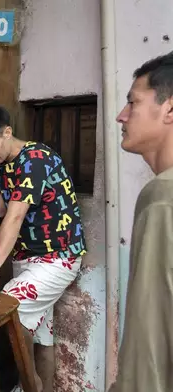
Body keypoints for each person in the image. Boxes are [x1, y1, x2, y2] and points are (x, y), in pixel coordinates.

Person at [0, 105, 87, 392]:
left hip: (58, 258)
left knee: (9, 308)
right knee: (40, 337)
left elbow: (15, 217)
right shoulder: (0, 164)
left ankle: (30, 385)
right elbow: (1, 210)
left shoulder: (35, 159)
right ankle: (39, 386)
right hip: (27, 257)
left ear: (7, 132)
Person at [110, 51, 173, 392]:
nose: (121, 116)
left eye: (132, 102)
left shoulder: (162, 197)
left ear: (170, 108)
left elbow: (149, 349)